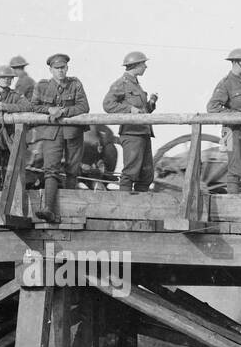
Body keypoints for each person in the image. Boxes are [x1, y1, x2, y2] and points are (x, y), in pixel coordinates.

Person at [30, 53, 91, 222]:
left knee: (73, 169)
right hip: (51, 132)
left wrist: (63, 111)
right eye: (57, 69)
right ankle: (48, 208)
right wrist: (49, 110)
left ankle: (70, 210)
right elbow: (33, 106)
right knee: (50, 169)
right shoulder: (42, 86)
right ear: (50, 70)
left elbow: (83, 106)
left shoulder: (75, 84)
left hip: (72, 132)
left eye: (63, 68)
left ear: (67, 68)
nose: (60, 71)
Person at [208, 48, 241, 194]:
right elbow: (212, 107)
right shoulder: (226, 83)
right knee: (235, 171)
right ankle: (233, 206)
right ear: (235, 62)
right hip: (230, 132)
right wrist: (236, 115)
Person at [103, 52, 158, 193]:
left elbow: (142, 111)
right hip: (132, 134)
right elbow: (108, 104)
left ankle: (140, 208)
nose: (145, 66)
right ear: (135, 66)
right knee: (130, 171)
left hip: (143, 132)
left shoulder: (135, 84)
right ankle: (123, 208)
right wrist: (129, 109)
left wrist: (151, 103)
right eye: (143, 64)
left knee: (146, 174)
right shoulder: (122, 83)